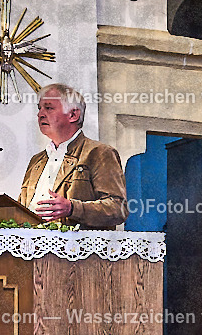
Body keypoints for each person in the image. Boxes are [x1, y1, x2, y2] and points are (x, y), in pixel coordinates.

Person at [19, 83, 128, 229]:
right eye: (39, 108)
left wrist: (72, 209)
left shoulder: (99, 153)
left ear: (73, 115)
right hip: (32, 246)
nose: (40, 114)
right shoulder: (36, 160)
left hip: (76, 248)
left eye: (49, 108)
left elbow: (117, 208)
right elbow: (20, 208)